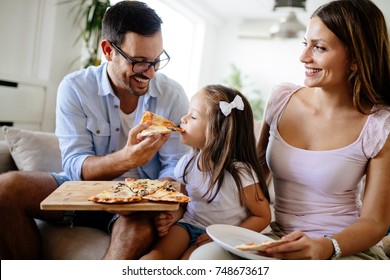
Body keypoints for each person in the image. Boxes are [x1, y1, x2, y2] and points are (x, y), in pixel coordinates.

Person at [191, 0, 390, 260]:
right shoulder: (282, 98)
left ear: (355, 57)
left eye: (319, 47)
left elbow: (375, 222)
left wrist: (325, 246)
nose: (304, 57)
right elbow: (254, 178)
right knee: (205, 259)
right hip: (278, 238)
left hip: (341, 248)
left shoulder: (379, 123)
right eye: (305, 44)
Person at [0, 0, 189, 260]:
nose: (151, 73)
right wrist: (127, 158)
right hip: (85, 189)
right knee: (6, 188)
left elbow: (176, 167)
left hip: (141, 199)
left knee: (135, 230)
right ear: (108, 50)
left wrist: (155, 199)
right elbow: (75, 165)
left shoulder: (172, 94)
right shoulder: (76, 88)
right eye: (140, 62)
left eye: (157, 61)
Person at [140, 85, 271, 260]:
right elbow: (184, 203)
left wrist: (224, 236)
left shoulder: (240, 174)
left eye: (193, 116)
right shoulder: (187, 163)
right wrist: (171, 218)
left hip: (223, 236)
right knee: (153, 258)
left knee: (189, 260)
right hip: (189, 224)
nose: (183, 119)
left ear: (216, 132)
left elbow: (262, 216)